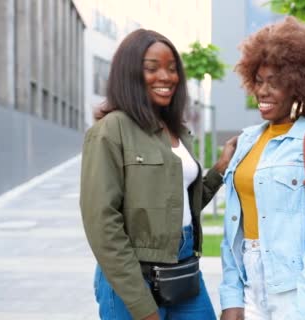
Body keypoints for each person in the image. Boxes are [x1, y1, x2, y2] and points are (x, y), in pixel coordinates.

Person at [80, 29, 236, 320]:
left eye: (172, 68)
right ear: (130, 73)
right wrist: (142, 306)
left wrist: (219, 169)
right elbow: (102, 225)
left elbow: (174, 205)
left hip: (184, 269)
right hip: (131, 278)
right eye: (152, 68)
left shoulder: (176, 130)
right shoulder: (111, 130)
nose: (166, 77)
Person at [219, 17, 305, 320]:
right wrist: (231, 296)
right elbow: (234, 228)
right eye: (258, 80)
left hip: (297, 290)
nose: (263, 91)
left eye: (276, 82)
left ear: (300, 86)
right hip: (250, 285)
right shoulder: (247, 141)